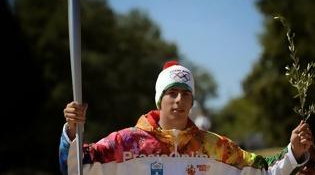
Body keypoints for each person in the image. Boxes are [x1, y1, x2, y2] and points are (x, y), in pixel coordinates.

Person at [59, 60, 313, 175]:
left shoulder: (215, 148)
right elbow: (76, 167)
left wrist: (294, 153)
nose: (179, 100)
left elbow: (263, 172)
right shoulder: (127, 143)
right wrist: (72, 129)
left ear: (192, 101)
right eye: (172, 93)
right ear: (160, 99)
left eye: (185, 94)